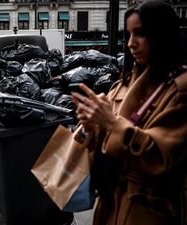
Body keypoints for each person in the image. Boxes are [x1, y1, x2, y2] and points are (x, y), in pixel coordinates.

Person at [72, 1, 187, 225]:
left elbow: (161, 156)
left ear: (162, 34)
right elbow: (101, 151)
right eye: (128, 35)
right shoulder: (121, 84)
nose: (132, 43)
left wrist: (112, 123)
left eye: (141, 33)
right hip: (110, 205)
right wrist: (89, 126)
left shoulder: (180, 89)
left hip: (148, 210)